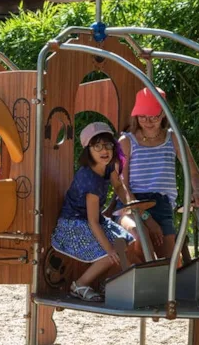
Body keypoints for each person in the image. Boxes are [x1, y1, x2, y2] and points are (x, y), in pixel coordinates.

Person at [115, 87, 199, 261]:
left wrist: (197, 190)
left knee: (170, 260)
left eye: (154, 116)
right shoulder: (127, 141)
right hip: (133, 206)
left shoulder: (174, 139)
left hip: (163, 205)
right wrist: (145, 217)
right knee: (142, 241)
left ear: (163, 114)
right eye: (143, 116)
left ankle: (168, 283)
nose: (148, 121)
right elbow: (122, 187)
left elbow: (195, 174)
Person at [51, 122, 136, 302]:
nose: (103, 150)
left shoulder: (109, 165)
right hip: (73, 224)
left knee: (124, 242)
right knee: (109, 253)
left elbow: (118, 185)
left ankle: (107, 282)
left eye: (107, 145)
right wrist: (109, 249)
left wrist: (130, 202)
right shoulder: (90, 179)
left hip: (92, 220)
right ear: (88, 150)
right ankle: (79, 284)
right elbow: (92, 221)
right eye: (97, 146)